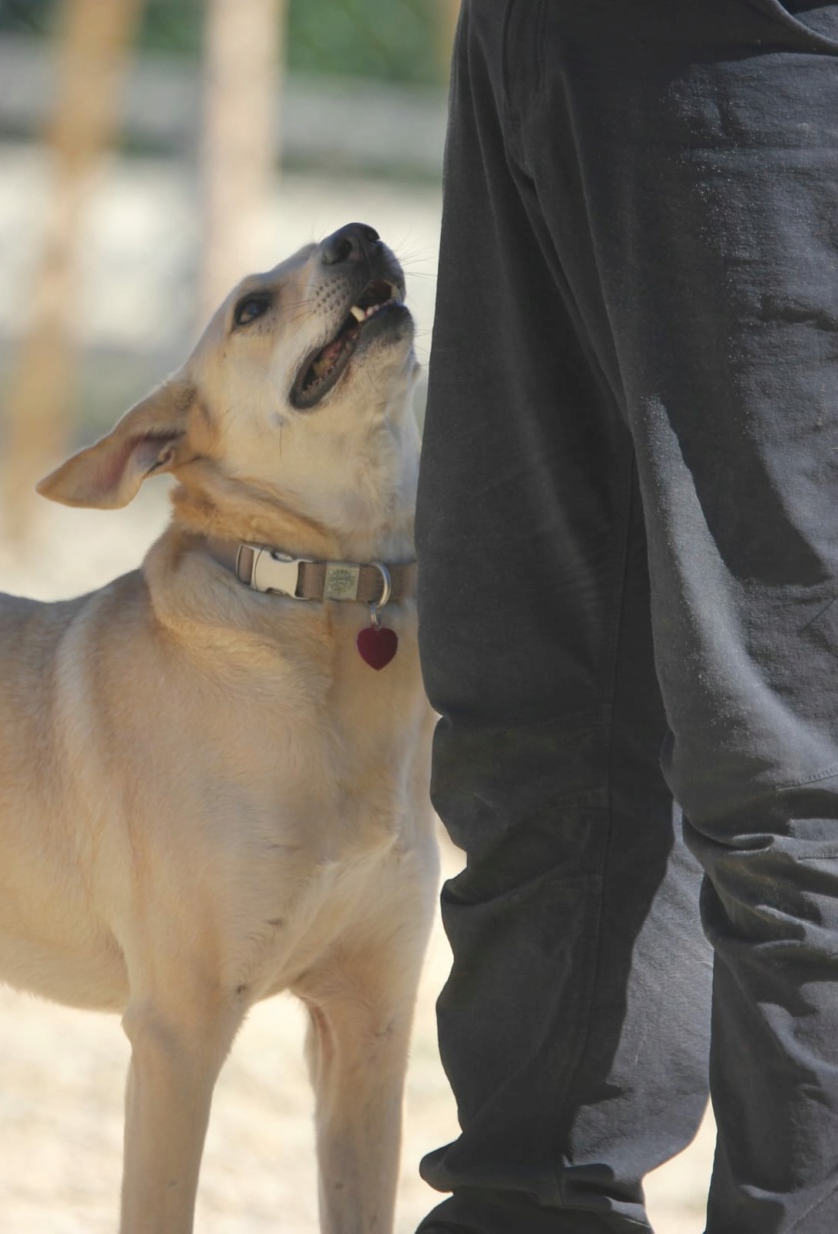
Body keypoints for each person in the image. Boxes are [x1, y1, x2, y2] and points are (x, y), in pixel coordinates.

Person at [414, 2, 838, 1231]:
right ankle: (523, 1207)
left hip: (757, 56)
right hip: (530, 38)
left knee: (783, 758)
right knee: (532, 709)